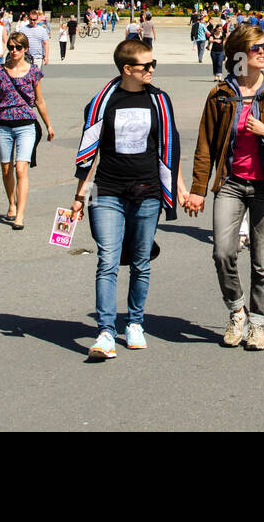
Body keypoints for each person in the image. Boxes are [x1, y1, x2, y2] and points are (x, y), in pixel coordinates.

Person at [68, 38, 186, 360]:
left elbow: (169, 149)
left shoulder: (160, 100)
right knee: (107, 259)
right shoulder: (103, 103)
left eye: (153, 64)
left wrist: (182, 190)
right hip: (107, 190)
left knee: (140, 261)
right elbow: (88, 152)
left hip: (147, 191)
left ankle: (135, 322)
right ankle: (105, 331)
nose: (152, 70)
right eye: (146, 66)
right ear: (127, 69)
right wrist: (79, 197)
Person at [187, 24, 264, 352]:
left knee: (262, 263)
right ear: (239, 55)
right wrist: (198, 188)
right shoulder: (220, 95)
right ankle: (237, 312)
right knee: (222, 252)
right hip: (231, 184)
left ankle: (258, 325)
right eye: (257, 48)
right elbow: (205, 145)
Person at [0, 30, 54, 229]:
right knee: (7, 169)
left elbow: (39, 101)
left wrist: (48, 125)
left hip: (26, 125)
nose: (14, 51)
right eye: (11, 47)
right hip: (3, 124)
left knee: (21, 169)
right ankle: (11, 203)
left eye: (18, 48)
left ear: (25, 49)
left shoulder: (33, 72)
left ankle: (20, 215)